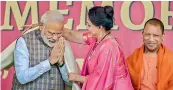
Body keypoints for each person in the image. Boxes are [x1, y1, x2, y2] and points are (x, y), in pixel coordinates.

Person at [63, 6, 134, 90]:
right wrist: (53, 27)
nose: (87, 27)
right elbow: (72, 35)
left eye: (89, 25)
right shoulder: (96, 38)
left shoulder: (109, 47)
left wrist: (77, 78)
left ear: (100, 27)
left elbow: (100, 80)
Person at [12, 10, 72, 90]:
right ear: (41, 26)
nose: (55, 38)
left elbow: (70, 82)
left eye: (59, 33)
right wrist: (49, 62)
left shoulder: (63, 42)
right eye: (51, 33)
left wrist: (61, 64)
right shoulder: (25, 41)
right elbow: (22, 77)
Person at [126, 18, 173, 90]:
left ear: (163, 36)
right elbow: (124, 83)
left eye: (155, 35)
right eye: (147, 34)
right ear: (142, 35)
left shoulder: (170, 59)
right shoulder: (132, 59)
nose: (151, 39)